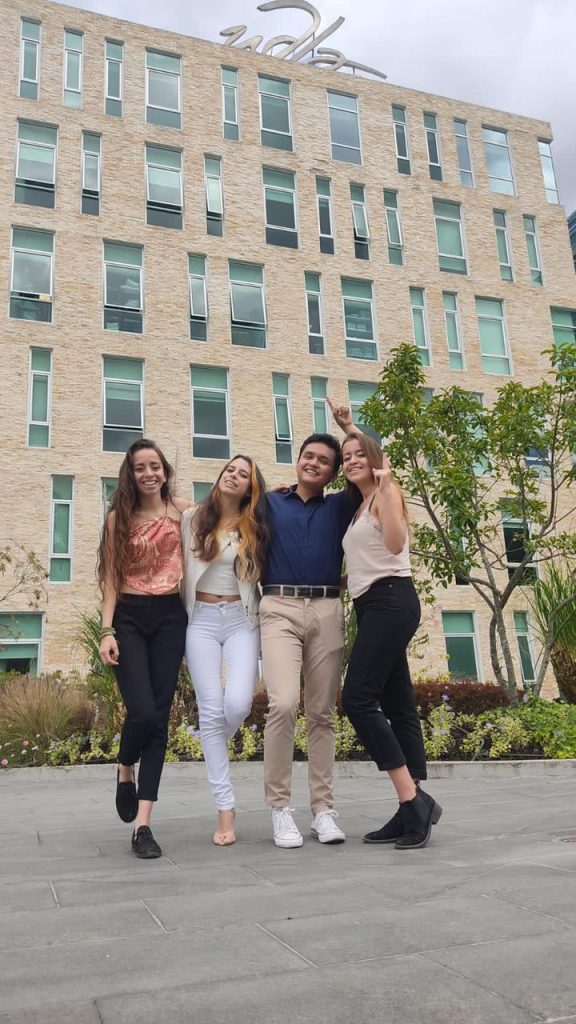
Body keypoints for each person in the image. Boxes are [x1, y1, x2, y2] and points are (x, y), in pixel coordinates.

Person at [336, 420, 442, 849]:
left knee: (357, 699)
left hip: (391, 600)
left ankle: (413, 799)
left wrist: (386, 485)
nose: (351, 461)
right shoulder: (360, 504)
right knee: (398, 704)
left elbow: (396, 545)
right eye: (346, 457)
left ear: (376, 458)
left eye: (359, 454)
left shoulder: (385, 493)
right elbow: (367, 561)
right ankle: (409, 809)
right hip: (373, 604)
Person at [260, 432, 358, 848]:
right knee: (283, 704)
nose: (313, 463)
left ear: (333, 473)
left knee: (321, 713)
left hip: (326, 608)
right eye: (308, 456)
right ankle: (280, 808)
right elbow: (221, 507)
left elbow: (372, 470)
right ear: (298, 459)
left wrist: (350, 428)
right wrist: (265, 488)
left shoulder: (340, 506)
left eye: (323, 460)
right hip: (278, 606)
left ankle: (322, 811)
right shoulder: (269, 503)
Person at [97, 439, 192, 860]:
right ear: (130, 474)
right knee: (142, 711)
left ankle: (143, 825)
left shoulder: (182, 510)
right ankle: (125, 767)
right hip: (130, 617)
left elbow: (229, 511)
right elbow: (110, 578)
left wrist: (274, 491)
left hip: (171, 617)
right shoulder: (118, 518)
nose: (149, 473)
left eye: (155, 465)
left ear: (165, 470)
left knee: (159, 719)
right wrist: (106, 631)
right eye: (140, 467)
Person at [181, 456, 269, 846]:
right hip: (199, 621)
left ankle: (213, 737)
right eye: (230, 470)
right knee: (211, 709)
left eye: (243, 474)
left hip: (240, 619)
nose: (233, 475)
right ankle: (225, 809)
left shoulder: (255, 527)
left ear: (251, 487)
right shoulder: (192, 518)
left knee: (237, 705)